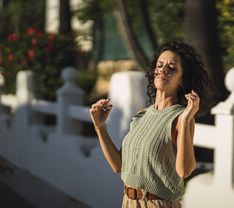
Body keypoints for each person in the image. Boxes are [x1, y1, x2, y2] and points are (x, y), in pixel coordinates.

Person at [90, 40, 214, 208]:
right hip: (128, 202)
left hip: (158, 204)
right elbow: (118, 165)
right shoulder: (141, 115)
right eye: (160, 65)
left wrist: (185, 121)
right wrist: (100, 127)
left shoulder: (181, 118)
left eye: (172, 67)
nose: (163, 70)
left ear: (182, 79)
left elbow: (184, 171)